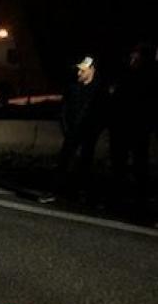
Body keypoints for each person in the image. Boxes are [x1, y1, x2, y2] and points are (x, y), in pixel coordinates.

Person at [39, 56, 109, 204]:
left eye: (83, 71)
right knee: (64, 160)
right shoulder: (73, 87)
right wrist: (66, 128)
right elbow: (63, 109)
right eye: (79, 70)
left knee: (86, 162)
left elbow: (104, 113)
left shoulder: (100, 90)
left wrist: (95, 131)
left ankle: (81, 192)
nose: (79, 73)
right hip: (73, 131)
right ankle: (53, 191)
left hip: (89, 132)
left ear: (92, 70)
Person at [108, 43, 156, 212]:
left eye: (136, 57)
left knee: (139, 164)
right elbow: (115, 100)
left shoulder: (147, 78)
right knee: (119, 163)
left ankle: (140, 199)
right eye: (132, 56)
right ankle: (118, 196)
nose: (133, 59)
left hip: (138, 128)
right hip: (122, 126)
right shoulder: (124, 74)